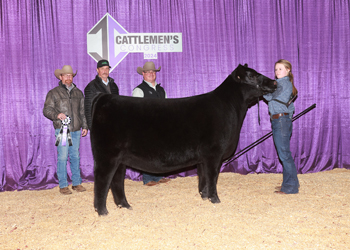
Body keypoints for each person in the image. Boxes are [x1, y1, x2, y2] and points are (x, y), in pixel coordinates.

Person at [43, 65, 88, 195]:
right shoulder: (54, 93)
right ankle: (63, 185)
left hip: (76, 130)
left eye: (70, 75)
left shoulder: (78, 93)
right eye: (66, 75)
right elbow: (47, 110)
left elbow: (82, 111)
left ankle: (76, 183)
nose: (69, 78)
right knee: (62, 157)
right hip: (63, 130)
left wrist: (84, 126)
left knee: (75, 156)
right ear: (61, 77)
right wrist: (57, 115)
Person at [263, 59, 299, 194]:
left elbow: (271, 97)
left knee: (284, 155)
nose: (277, 71)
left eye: (280, 69)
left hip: (281, 120)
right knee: (285, 154)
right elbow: (270, 95)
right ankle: (291, 183)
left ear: (288, 70)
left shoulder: (284, 84)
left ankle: (290, 187)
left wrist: (263, 91)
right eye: (276, 69)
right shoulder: (279, 84)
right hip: (280, 120)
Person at [132, 61, 171, 186]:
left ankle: (158, 176)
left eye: (153, 72)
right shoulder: (139, 90)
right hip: (146, 126)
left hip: (161, 126)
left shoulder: (161, 90)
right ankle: (148, 179)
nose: (151, 74)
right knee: (147, 153)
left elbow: (166, 108)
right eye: (148, 72)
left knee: (160, 151)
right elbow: (136, 111)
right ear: (143, 74)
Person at [84, 59, 119, 130]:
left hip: (113, 123)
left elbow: (117, 105)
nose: (105, 71)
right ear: (97, 70)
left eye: (107, 68)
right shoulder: (91, 86)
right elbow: (88, 108)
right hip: (99, 123)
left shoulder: (114, 86)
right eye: (102, 69)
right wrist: (91, 127)